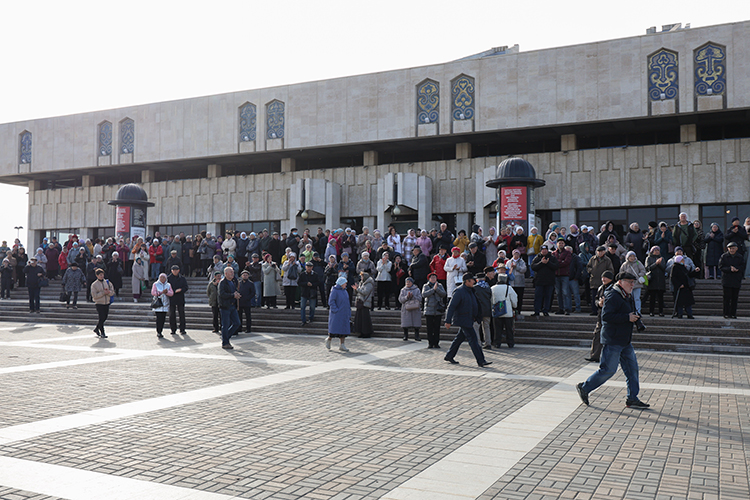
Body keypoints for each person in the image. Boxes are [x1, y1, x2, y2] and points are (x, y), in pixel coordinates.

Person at [576, 272, 650, 409]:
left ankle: (632, 398)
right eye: (630, 282)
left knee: (632, 369)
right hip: (613, 340)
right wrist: (626, 317)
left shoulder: (627, 295)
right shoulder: (612, 295)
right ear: (621, 282)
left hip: (625, 340)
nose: (633, 285)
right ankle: (585, 387)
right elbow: (606, 317)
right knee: (608, 370)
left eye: (633, 282)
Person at [443, 273, 491, 367]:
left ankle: (449, 355)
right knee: (473, 339)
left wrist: (477, 316)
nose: (474, 281)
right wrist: (447, 320)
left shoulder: (471, 290)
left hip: (469, 318)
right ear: (467, 281)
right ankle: (481, 360)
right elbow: (451, 306)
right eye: (473, 280)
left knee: (459, 338)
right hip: (463, 319)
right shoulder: (459, 291)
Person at [584, 270, 614, 362]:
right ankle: (594, 355)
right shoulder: (601, 288)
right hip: (601, 316)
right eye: (602, 277)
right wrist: (599, 303)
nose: (603, 279)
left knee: (610, 338)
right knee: (597, 335)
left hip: (611, 317)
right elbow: (596, 299)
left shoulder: (614, 288)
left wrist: (606, 303)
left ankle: (612, 357)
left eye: (605, 277)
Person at [491, 272, 518, 348]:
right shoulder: (509, 288)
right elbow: (514, 299)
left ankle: (497, 342)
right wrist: (514, 306)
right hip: (508, 311)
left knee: (497, 329)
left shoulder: (493, 288)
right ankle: (510, 342)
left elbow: (491, 300)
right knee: (509, 328)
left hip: (497, 311)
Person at [719, 242, 745, 318]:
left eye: (733, 248)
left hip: (736, 279)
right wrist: (729, 269)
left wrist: (737, 269)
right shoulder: (724, 256)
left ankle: (733, 313)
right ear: (728, 249)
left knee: (734, 298)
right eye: (730, 248)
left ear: (736, 249)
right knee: (726, 298)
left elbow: (743, 266)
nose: (732, 250)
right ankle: (726, 313)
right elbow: (721, 266)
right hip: (727, 279)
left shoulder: (740, 257)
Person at [530, 246, 558, 317]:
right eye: (543, 250)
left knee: (548, 297)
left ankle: (546, 310)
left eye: (545, 250)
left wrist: (548, 263)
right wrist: (541, 263)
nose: (544, 251)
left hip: (549, 281)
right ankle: (537, 311)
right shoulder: (537, 257)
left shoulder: (552, 257)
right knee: (538, 296)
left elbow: (556, 266)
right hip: (539, 281)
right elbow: (533, 267)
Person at [218, 267, 241, 349]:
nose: (232, 273)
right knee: (225, 325)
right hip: (225, 306)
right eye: (230, 272)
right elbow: (222, 294)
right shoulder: (222, 282)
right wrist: (232, 295)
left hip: (232, 306)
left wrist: (237, 294)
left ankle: (226, 337)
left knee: (237, 323)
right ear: (226, 273)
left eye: (233, 272)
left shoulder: (232, 282)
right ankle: (225, 342)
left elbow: (234, 291)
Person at [327, 276, 352, 351]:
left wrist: (348, 312)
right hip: (337, 314)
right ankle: (329, 340)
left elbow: (347, 302)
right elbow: (331, 301)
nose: (346, 284)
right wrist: (335, 310)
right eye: (345, 283)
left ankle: (342, 345)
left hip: (344, 313)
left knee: (343, 331)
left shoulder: (345, 291)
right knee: (333, 330)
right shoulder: (334, 290)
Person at [422, 272, 446, 348]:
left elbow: (443, 294)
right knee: (429, 328)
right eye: (431, 278)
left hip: (438, 309)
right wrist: (433, 289)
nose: (433, 279)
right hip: (429, 309)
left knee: (437, 328)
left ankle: (436, 342)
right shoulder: (426, 286)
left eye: (434, 278)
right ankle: (430, 342)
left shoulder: (440, 285)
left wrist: (437, 289)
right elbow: (424, 294)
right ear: (429, 279)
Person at [91, 268, 115, 339]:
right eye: (100, 275)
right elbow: (94, 295)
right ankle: (102, 332)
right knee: (101, 317)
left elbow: (112, 291)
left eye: (102, 275)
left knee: (105, 317)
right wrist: (103, 293)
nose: (102, 276)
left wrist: (109, 292)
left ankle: (96, 328)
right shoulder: (94, 285)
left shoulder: (107, 282)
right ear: (97, 276)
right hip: (99, 303)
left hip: (106, 302)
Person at [473, 270, 494, 348]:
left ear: (477, 280)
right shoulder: (488, 288)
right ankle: (488, 343)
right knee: (486, 326)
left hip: (478, 310)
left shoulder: (475, 288)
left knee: (476, 327)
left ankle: (478, 343)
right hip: (487, 309)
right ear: (484, 279)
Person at [644, 247, 666, 317]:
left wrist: (659, 263)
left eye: (658, 250)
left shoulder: (662, 258)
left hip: (660, 281)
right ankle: (651, 311)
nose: (657, 252)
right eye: (655, 250)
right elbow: (648, 268)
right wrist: (656, 263)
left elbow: (664, 268)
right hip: (652, 280)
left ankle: (661, 312)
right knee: (652, 298)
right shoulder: (649, 258)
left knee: (660, 298)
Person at [399, 277, 423, 341]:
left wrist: (413, 296)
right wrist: (407, 297)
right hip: (406, 308)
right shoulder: (403, 290)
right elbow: (400, 299)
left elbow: (420, 298)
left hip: (415, 307)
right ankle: (405, 335)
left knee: (416, 323)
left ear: (412, 282)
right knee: (405, 323)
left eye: (409, 282)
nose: (408, 283)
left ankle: (417, 336)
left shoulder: (417, 289)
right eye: (407, 282)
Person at [553, 238, 572, 315]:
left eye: (562, 243)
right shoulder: (554, 253)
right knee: (558, 293)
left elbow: (567, 262)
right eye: (559, 243)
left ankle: (567, 308)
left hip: (565, 275)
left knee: (565, 292)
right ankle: (561, 308)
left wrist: (558, 262)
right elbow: (553, 262)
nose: (561, 244)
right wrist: (561, 261)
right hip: (556, 275)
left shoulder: (567, 252)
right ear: (557, 244)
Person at [353, 271, 374, 338]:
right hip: (360, 302)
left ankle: (366, 332)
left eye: (362, 276)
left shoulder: (369, 283)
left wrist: (358, 289)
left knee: (365, 319)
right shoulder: (362, 283)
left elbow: (365, 292)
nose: (361, 278)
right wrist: (356, 289)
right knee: (360, 319)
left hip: (365, 303)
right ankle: (360, 332)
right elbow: (359, 292)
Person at [151, 273, 173, 338]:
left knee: (163, 319)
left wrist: (167, 292)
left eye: (164, 278)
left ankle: (161, 330)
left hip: (165, 305)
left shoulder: (168, 285)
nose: (162, 279)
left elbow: (171, 293)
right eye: (161, 277)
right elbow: (153, 292)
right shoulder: (155, 284)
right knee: (158, 318)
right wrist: (160, 292)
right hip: (158, 305)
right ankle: (158, 331)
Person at [506, 249, 527, 318]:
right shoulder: (509, 262)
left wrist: (516, 267)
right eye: (515, 254)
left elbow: (524, 269)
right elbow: (507, 269)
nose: (516, 255)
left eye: (517, 254)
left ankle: (519, 309)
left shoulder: (522, 262)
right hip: (511, 283)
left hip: (520, 283)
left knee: (519, 297)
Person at [299, 261, 319, 326]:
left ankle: (311, 318)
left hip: (312, 293)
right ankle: (303, 320)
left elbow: (318, 283)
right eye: (308, 267)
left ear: (312, 267)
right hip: (304, 293)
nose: (309, 268)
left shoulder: (315, 274)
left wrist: (312, 284)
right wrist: (306, 284)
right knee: (302, 307)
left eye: (310, 267)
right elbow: (299, 282)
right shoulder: (302, 274)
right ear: (306, 267)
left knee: (312, 307)